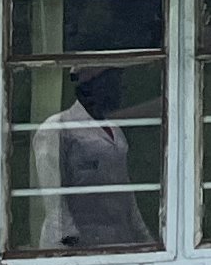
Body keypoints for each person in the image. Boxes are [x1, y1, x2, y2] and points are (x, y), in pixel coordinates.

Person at [28, 66, 155, 255]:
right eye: (114, 82)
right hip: (78, 248)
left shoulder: (116, 132)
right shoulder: (58, 127)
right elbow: (54, 198)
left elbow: (126, 194)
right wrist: (68, 245)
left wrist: (144, 239)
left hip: (116, 243)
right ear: (94, 84)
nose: (120, 89)